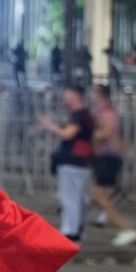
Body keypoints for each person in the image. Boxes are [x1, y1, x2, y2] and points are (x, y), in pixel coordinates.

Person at [38, 85, 95, 241]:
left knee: (70, 198)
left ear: (75, 95)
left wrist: (48, 125)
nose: (63, 97)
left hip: (73, 162)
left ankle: (70, 231)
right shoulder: (84, 115)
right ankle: (77, 230)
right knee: (79, 198)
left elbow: (67, 134)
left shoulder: (79, 115)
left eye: (66, 93)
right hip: (81, 162)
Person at [87, 83, 136, 247]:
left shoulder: (108, 112)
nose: (90, 95)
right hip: (106, 157)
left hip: (109, 157)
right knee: (99, 197)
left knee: (98, 196)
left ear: (99, 94)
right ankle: (108, 221)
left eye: (93, 92)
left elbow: (107, 132)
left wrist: (88, 136)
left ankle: (126, 229)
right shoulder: (102, 112)